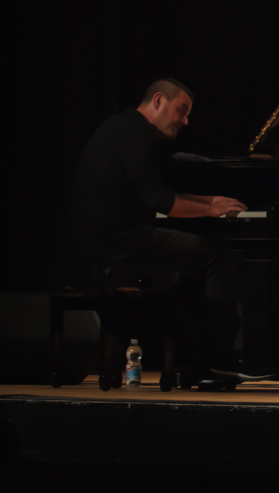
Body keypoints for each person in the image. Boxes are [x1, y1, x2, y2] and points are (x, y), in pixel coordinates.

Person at [71, 78, 248, 384]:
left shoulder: (123, 127)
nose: (185, 120)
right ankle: (223, 360)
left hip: (109, 236)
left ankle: (199, 361)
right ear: (157, 101)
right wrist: (208, 208)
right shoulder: (136, 132)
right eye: (181, 110)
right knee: (214, 254)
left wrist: (210, 201)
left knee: (194, 259)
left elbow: (155, 195)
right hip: (115, 241)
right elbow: (158, 200)